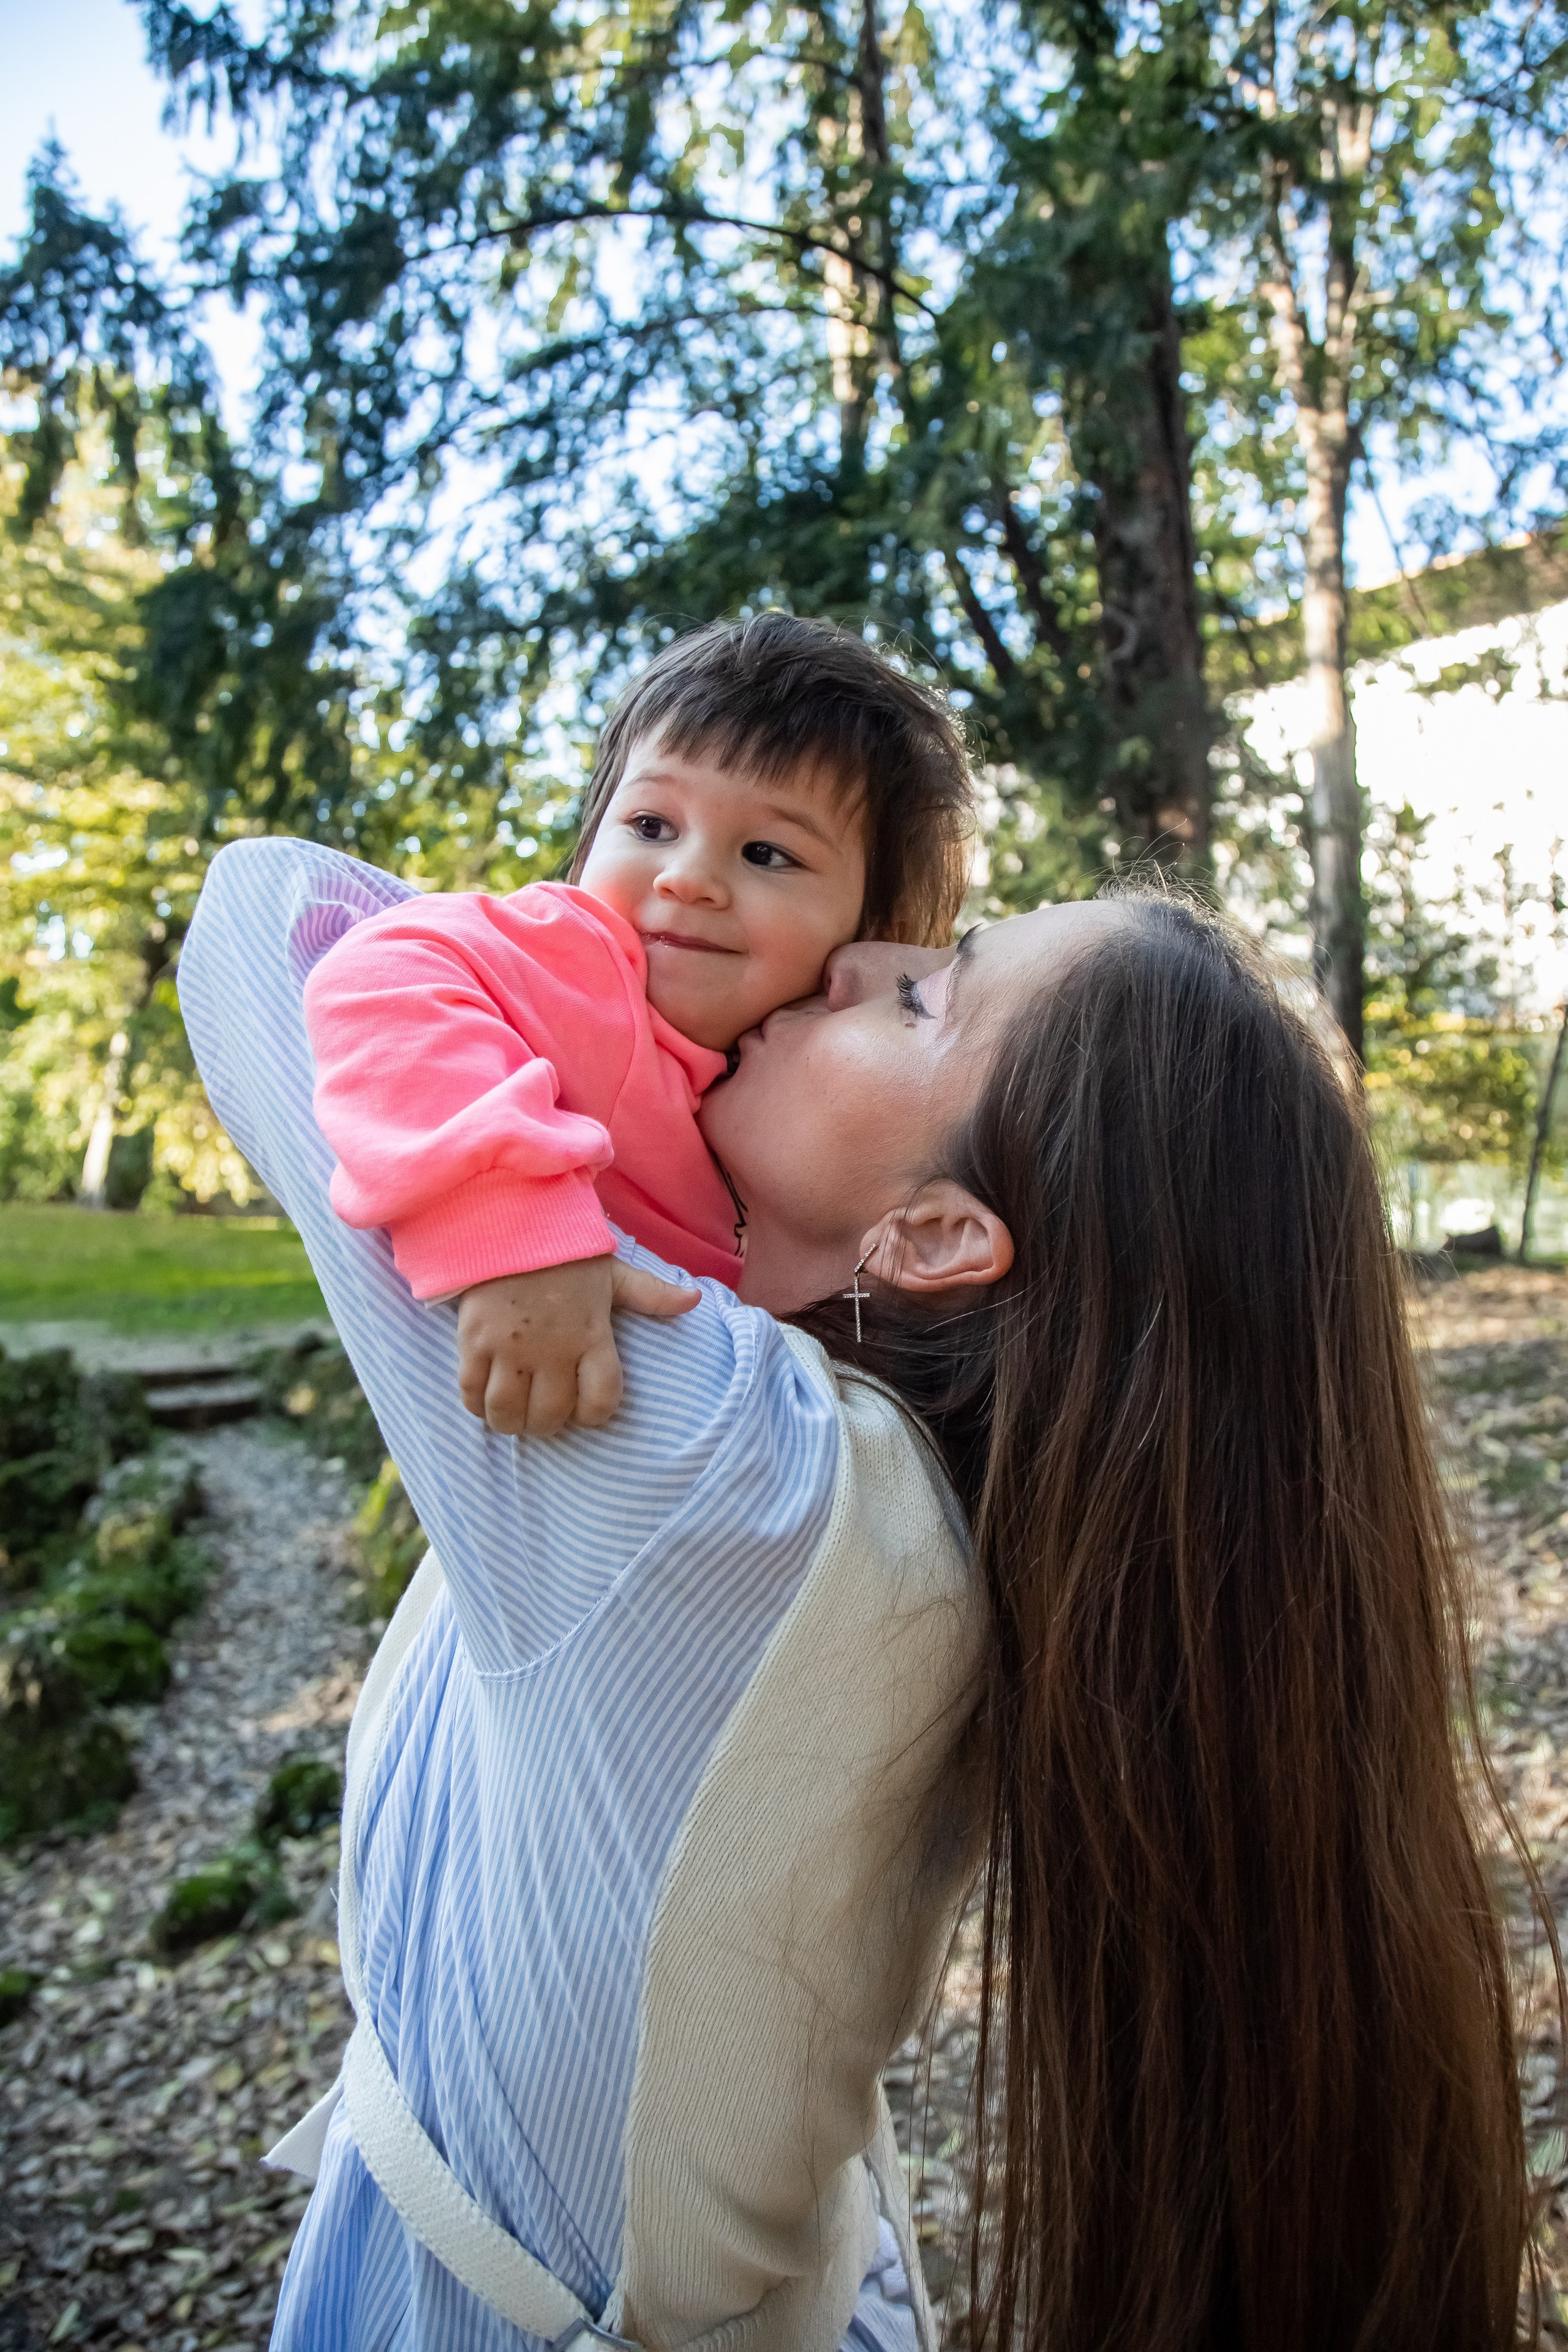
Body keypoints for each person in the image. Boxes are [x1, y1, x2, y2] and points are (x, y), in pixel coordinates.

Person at [180, 835, 1540, 2352]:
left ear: (940, 1235)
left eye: (925, 998)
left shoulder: (710, 1460)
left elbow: (267, 923)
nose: (848, 960)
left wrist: (608, 956)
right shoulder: (912, 1478)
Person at [301, 611, 974, 1438]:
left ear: (879, 931)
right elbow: (379, 973)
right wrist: (514, 1230)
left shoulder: (808, 1112)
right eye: (652, 827)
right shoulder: (586, 963)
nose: (689, 878)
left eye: (767, 854)